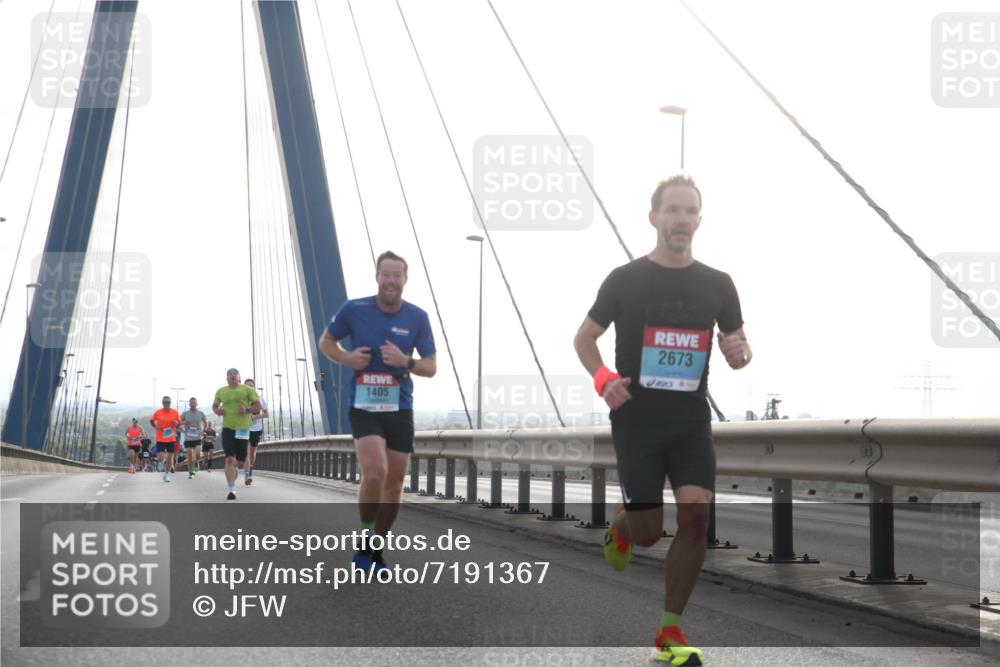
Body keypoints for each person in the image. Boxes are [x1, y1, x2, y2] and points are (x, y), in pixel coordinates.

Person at [573, 174, 751, 666]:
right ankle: (623, 529)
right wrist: (603, 378)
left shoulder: (719, 284)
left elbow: (739, 348)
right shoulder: (624, 279)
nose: (682, 219)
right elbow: (583, 339)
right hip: (637, 421)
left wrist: (739, 353)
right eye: (672, 210)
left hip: (690, 420)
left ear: (699, 220)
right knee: (650, 531)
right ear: (654, 218)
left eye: (690, 211)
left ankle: (669, 633)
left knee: (696, 515)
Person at [318, 250, 436, 572]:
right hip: (364, 405)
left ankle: (376, 549)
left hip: (400, 407)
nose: (391, 281)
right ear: (377, 277)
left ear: (405, 280)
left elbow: (431, 366)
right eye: (386, 275)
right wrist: (345, 358)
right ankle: (364, 541)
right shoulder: (354, 309)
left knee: (395, 484)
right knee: (375, 473)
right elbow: (326, 342)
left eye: (397, 276)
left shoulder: (417, 317)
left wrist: (406, 361)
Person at [212, 368, 261, 500]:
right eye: (230, 374)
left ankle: (239, 471)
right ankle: (232, 490)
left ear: (239, 377)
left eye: (235, 374)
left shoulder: (247, 390)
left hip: (243, 428)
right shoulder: (221, 391)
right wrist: (218, 411)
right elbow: (215, 406)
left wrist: (247, 409)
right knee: (229, 459)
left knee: (239, 462)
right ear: (226, 378)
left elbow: (258, 406)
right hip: (227, 428)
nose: (232, 376)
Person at [242, 378, 269, 486]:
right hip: (244, 429)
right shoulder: (241, 399)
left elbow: (266, 414)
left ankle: (250, 468)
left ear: (254, 387)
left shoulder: (260, 399)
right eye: (247, 385)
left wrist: (254, 416)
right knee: (247, 454)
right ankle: (247, 476)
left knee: (252, 454)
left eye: (251, 385)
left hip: (256, 430)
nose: (249, 387)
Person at [150, 396, 183, 483]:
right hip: (161, 438)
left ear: (170, 403)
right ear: (162, 403)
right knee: (160, 458)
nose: (166, 404)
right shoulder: (158, 412)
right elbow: (152, 421)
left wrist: (176, 424)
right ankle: (164, 461)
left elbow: (179, 423)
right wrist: (155, 426)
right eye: (165, 402)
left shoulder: (175, 412)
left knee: (170, 457)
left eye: (168, 402)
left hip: (171, 438)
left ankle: (167, 475)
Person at [181, 397, 207, 479]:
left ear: (196, 404)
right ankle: (190, 472)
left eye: (194, 403)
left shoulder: (200, 413)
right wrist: (184, 423)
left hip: (197, 437)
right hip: (188, 438)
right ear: (189, 404)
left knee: (198, 454)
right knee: (189, 456)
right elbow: (178, 423)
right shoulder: (185, 414)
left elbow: (205, 422)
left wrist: (204, 430)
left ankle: (196, 462)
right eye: (191, 403)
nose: (193, 404)